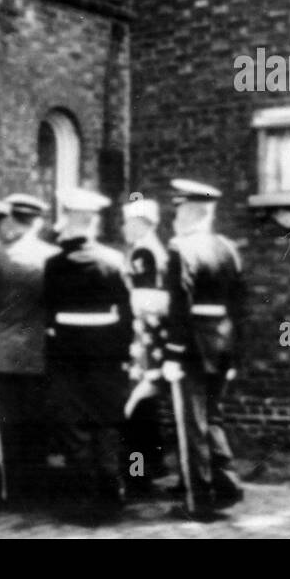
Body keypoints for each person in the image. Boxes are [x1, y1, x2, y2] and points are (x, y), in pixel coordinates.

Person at [43, 188, 134, 522]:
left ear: (69, 220)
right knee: (107, 421)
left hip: (67, 353)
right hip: (107, 355)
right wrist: (124, 352)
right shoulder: (113, 260)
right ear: (94, 222)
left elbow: (48, 312)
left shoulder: (54, 264)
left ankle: (84, 499)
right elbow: (127, 313)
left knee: (74, 425)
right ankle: (112, 495)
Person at [161, 179, 247, 520]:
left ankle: (198, 500)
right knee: (212, 418)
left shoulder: (180, 249)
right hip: (222, 342)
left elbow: (179, 305)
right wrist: (236, 351)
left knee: (191, 424)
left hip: (192, 346)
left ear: (191, 212)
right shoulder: (228, 248)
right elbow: (240, 305)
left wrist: (171, 352)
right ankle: (225, 486)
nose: (175, 218)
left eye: (178, 211)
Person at [0, 193, 58, 504]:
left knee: (8, 423)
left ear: (14, 220)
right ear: (38, 222)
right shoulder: (53, 256)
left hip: (5, 349)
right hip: (41, 349)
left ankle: (11, 489)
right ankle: (38, 485)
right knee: (37, 420)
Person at [121, 197, 170, 496]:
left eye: (127, 222)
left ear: (141, 224)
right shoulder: (154, 249)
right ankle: (147, 470)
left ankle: (138, 475)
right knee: (145, 408)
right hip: (151, 337)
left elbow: (142, 300)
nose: (124, 228)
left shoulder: (143, 252)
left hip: (142, 337)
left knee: (137, 408)